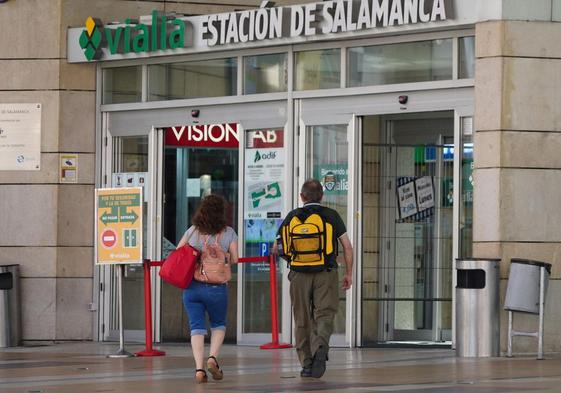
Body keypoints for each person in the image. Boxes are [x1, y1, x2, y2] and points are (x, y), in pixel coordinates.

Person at [273, 178, 353, 379]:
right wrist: (349, 273)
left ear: (302, 197)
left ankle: (307, 364)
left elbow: (278, 248)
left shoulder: (292, 217)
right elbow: (347, 247)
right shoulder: (331, 215)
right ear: (322, 196)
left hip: (299, 274)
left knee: (302, 318)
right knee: (325, 313)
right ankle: (321, 348)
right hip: (325, 272)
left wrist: (291, 259)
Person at [176, 194, 238, 384]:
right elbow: (235, 259)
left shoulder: (193, 231)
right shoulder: (229, 233)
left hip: (193, 287)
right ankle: (212, 358)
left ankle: (199, 369)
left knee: (197, 327)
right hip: (217, 288)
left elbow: (179, 251)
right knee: (218, 324)